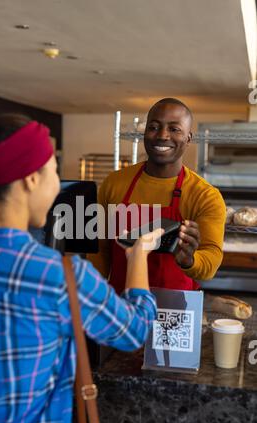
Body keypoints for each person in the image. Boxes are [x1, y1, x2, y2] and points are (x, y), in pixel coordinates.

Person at [0, 114, 162, 423]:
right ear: (31, 180)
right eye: (54, 168)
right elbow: (134, 330)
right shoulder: (59, 275)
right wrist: (138, 254)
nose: (57, 182)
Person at [89, 98, 226, 293]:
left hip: (176, 311)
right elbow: (99, 250)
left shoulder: (204, 195)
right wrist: (93, 295)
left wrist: (190, 260)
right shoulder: (115, 183)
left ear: (188, 138)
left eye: (174, 129)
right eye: (153, 127)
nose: (162, 135)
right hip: (121, 304)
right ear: (144, 134)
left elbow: (211, 260)